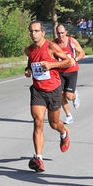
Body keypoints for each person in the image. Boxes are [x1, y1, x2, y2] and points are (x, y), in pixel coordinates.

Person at [24, 21, 75, 172]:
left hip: (53, 90)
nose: (33, 34)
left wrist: (51, 65)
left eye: (36, 31)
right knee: (38, 121)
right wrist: (28, 70)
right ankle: (38, 158)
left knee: (53, 123)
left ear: (43, 33)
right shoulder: (29, 50)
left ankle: (63, 132)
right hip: (38, 90)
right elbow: (31, 61)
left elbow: (69, 61)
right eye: (31, 31)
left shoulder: (51, 47)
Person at [55, 25, 86, 124]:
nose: (60, 35)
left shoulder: (71, 41)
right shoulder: (54, 43)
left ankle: (74, 95)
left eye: (62, 33)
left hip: (72, 71)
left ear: (66, 32)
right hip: (60, 72)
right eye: (58, 33)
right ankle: (68, 115)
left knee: (69, 96)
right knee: (60, 95)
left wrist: (75, 59)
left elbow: (82, 53)